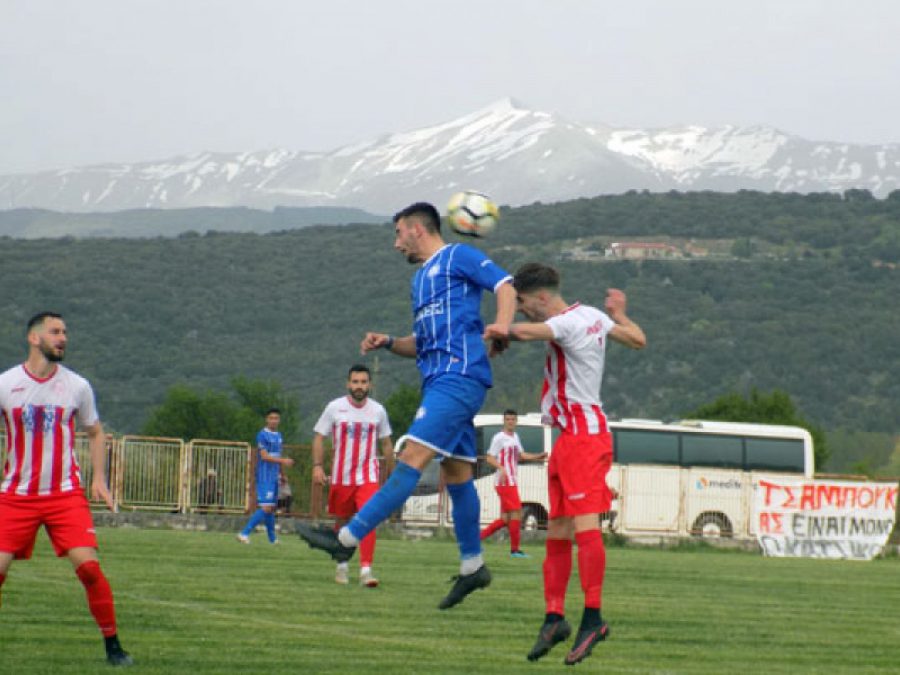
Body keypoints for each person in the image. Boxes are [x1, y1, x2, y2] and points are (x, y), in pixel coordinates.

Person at [298, 201, 516, 610]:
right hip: (438, 379)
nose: (396, 244)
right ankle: (473, 566)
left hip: (459, 375)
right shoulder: (420, 282)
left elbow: (506, 285)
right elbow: (422, 343)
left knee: (411, 456)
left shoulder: (458, 255)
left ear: (417, 229)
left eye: (398, 233)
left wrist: (502, 324)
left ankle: (346, 540)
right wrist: (390, 343)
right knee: (457, 474)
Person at [486, 263, 645, 665]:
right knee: (557, 528)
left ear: (542, 298)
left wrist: (498, 327)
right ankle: (555, 617)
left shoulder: (570, 322)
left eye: (520, 302)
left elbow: (522, 332)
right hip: (567, 440)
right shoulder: (592, 314)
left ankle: (593, 617)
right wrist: (620, 313)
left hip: (584, 438)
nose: (520, 310)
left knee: (585, 525)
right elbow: (637, 339)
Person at [0, 312, 133, 666]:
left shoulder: (77, 386)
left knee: (89, 569)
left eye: (65, 332)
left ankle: (114, 648)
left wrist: (99, 479)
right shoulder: (6, 383)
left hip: (64, 494)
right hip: (16, 496)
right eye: (55, 332)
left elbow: (95, 431)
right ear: (34, 338)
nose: (63, 338)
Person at [311, 364, 394, 588]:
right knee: (342, 522)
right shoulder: (334, 407)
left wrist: (392, 474)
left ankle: (366, 570)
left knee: (369, 519)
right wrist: (318, 466)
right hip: (341, 476)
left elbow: (386, 443)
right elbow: (319, 437)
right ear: (348, 384)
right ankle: (342, 566)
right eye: (355, 382)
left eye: (363, 382)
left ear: (370, 384)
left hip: (368, 475)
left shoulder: (378, 411)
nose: (359, 386)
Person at [479, 409, 547, 557]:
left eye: (512, 419)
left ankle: (476, 540)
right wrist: (501, 467)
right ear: (504, 421)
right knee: (516, 512)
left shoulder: (515, 436)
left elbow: (521, 455)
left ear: (516, 421)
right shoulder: (499, 438)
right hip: (504, 482)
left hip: (511, 481)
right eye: (508, 419)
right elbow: (489, 457)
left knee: (505, 519)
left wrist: (538, 456)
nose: (510, 422)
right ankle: (515, 550)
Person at [237, 408, 294, 544]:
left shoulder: (279, 436)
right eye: (271, 418)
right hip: (264, 476)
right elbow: (264, 456)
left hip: (274, 475)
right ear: (266, 419)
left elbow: (277, 456)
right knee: (266, 507)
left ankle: (272, 539)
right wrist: (283, 461)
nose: (274, 421)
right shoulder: (262, 435)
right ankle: (244, 533)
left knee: (271, 508)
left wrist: (282, 473)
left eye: (276, 418)